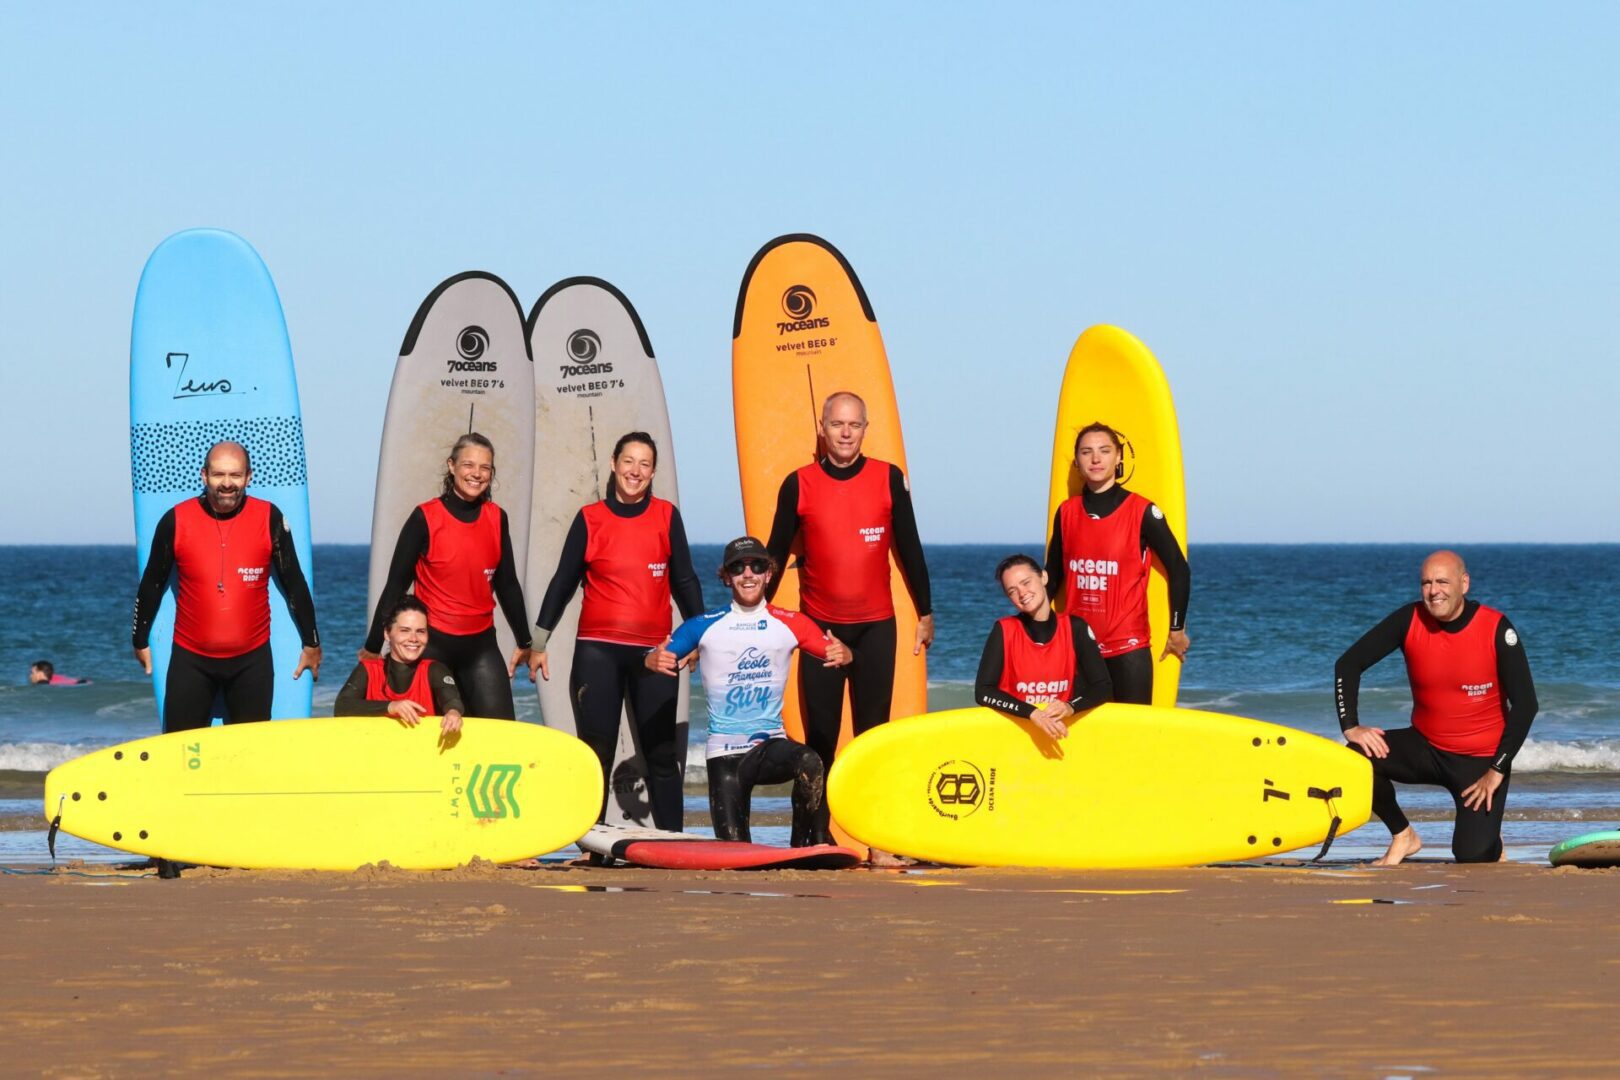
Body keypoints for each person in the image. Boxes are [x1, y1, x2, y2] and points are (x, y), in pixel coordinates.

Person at [764, 391, 933, 859]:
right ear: (822, 426)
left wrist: (926, 611)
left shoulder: (888, 478)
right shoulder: (798, 484)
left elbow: (910, 548)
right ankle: (812, 840)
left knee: (873, 738)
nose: (844, 432)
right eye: (837, 424)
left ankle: (877, 842)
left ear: (865, 428)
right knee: (819, 740)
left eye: (853, 425)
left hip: (877, 627)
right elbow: (775, 552)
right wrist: (757, 613)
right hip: (820, 628)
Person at [530, 431, 704, 830]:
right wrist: (538, 641)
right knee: (597, 751)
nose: (635, 471)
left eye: (644, 464)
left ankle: (671, 840)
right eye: (629, 461)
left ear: (653, 471)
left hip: (657, 653)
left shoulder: (665, 516)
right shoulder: (590, 519)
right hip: (598, 653)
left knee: (661, 753)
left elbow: (685, 581)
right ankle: (592, 842)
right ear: (613, 463)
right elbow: (563, 581)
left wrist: (697, 636)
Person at [1335, 550, 1538, 866]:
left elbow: (1526, 704)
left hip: (1479, 763)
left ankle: (1489, 838)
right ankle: (1404, 835)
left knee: (1472, 857)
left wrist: (1497, 769)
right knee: (1355, 757)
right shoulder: (1410, 619)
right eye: (1426, 583)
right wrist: (1351, 725)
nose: (1433, 591)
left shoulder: (1496, 628)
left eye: (1442, 581)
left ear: (1464, 583)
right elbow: (1348, 663)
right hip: (1426, 747)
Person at [646, 537, 851, 846]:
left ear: (768, 573)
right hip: (724, 758)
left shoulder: (791, 623)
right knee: (736, 853)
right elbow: (660, 656)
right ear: (727, 577)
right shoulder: (703, 625)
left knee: (811, 762)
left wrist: (845, 653)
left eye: (757, 566)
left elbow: (836, 652)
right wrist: (650, 658)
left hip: (770, 747)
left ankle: (801, 846)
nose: (748, 574)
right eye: (738, 568)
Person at [132, 441, 322, 733]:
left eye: (235, 475)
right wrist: (139, 640)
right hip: (190, 660)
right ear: (204, 475)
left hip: (252, 662)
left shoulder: (269, 518)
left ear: (249, 477)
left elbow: (294, 582)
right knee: (181, 754)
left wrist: (312, 643)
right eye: (219, 475)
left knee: (250, 758)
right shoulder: (176, 520)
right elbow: (151, 584)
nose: (227, 484)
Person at [364, 432, 531, 721]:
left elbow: (507, 584)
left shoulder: (496, 518)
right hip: (432, 647)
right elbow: (395, 585)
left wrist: (526, 643)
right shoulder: (425, 518)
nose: (476, 474)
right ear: (452, 466)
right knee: (430, 736)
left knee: (500, 731)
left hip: (481, 647)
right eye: (468, 465)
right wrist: (371, 648)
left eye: (485, 468)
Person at [1044, 421, 1189, 705]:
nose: (1096, 459)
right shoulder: (1066, 512)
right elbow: (1053, 575)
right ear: (1077, 461)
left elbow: (1178, 568)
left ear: (1119, 457)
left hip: (1128, 650)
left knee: (1134, 741)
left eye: (1104, 451)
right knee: (1084, 741)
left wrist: (1176, 629)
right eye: (1086, 452)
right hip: (1079, 647)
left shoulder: (1142, 511)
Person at [976, 555, 1113, 740]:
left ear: (1043, 577)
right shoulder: (1004, 630)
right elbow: (983, 691)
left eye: (1026, 582)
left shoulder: (1075, 628)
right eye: (1012, 591)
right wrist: (1032, 713)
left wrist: (1070, 706)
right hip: (1016, 734)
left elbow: (1102, 686)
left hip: (1060, 734)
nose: (1022, 593)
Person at [336, 597, 464, 738]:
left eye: (420, 631)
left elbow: (452, 701)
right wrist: (391, 707)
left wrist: (453, 712)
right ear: (387, 633)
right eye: (405, 630)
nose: (414, 638)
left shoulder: (434, 670)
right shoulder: (368, 670)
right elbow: (342, 706)